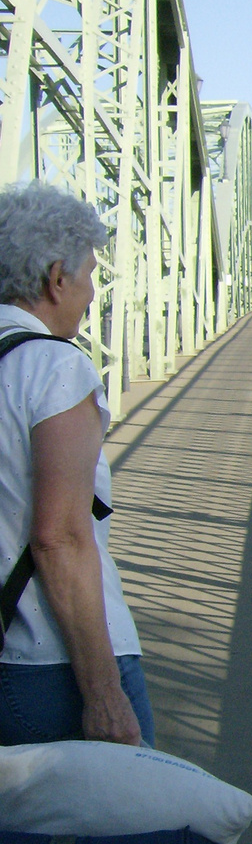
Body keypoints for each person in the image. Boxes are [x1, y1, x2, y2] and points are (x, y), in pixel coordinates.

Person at [0, 182, 150, 747]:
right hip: (49, 661)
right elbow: (59, 539)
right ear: (56, 278)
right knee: (141, 824)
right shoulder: (53, 370)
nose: (91, 294)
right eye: (89, 275)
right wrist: (105, 694)